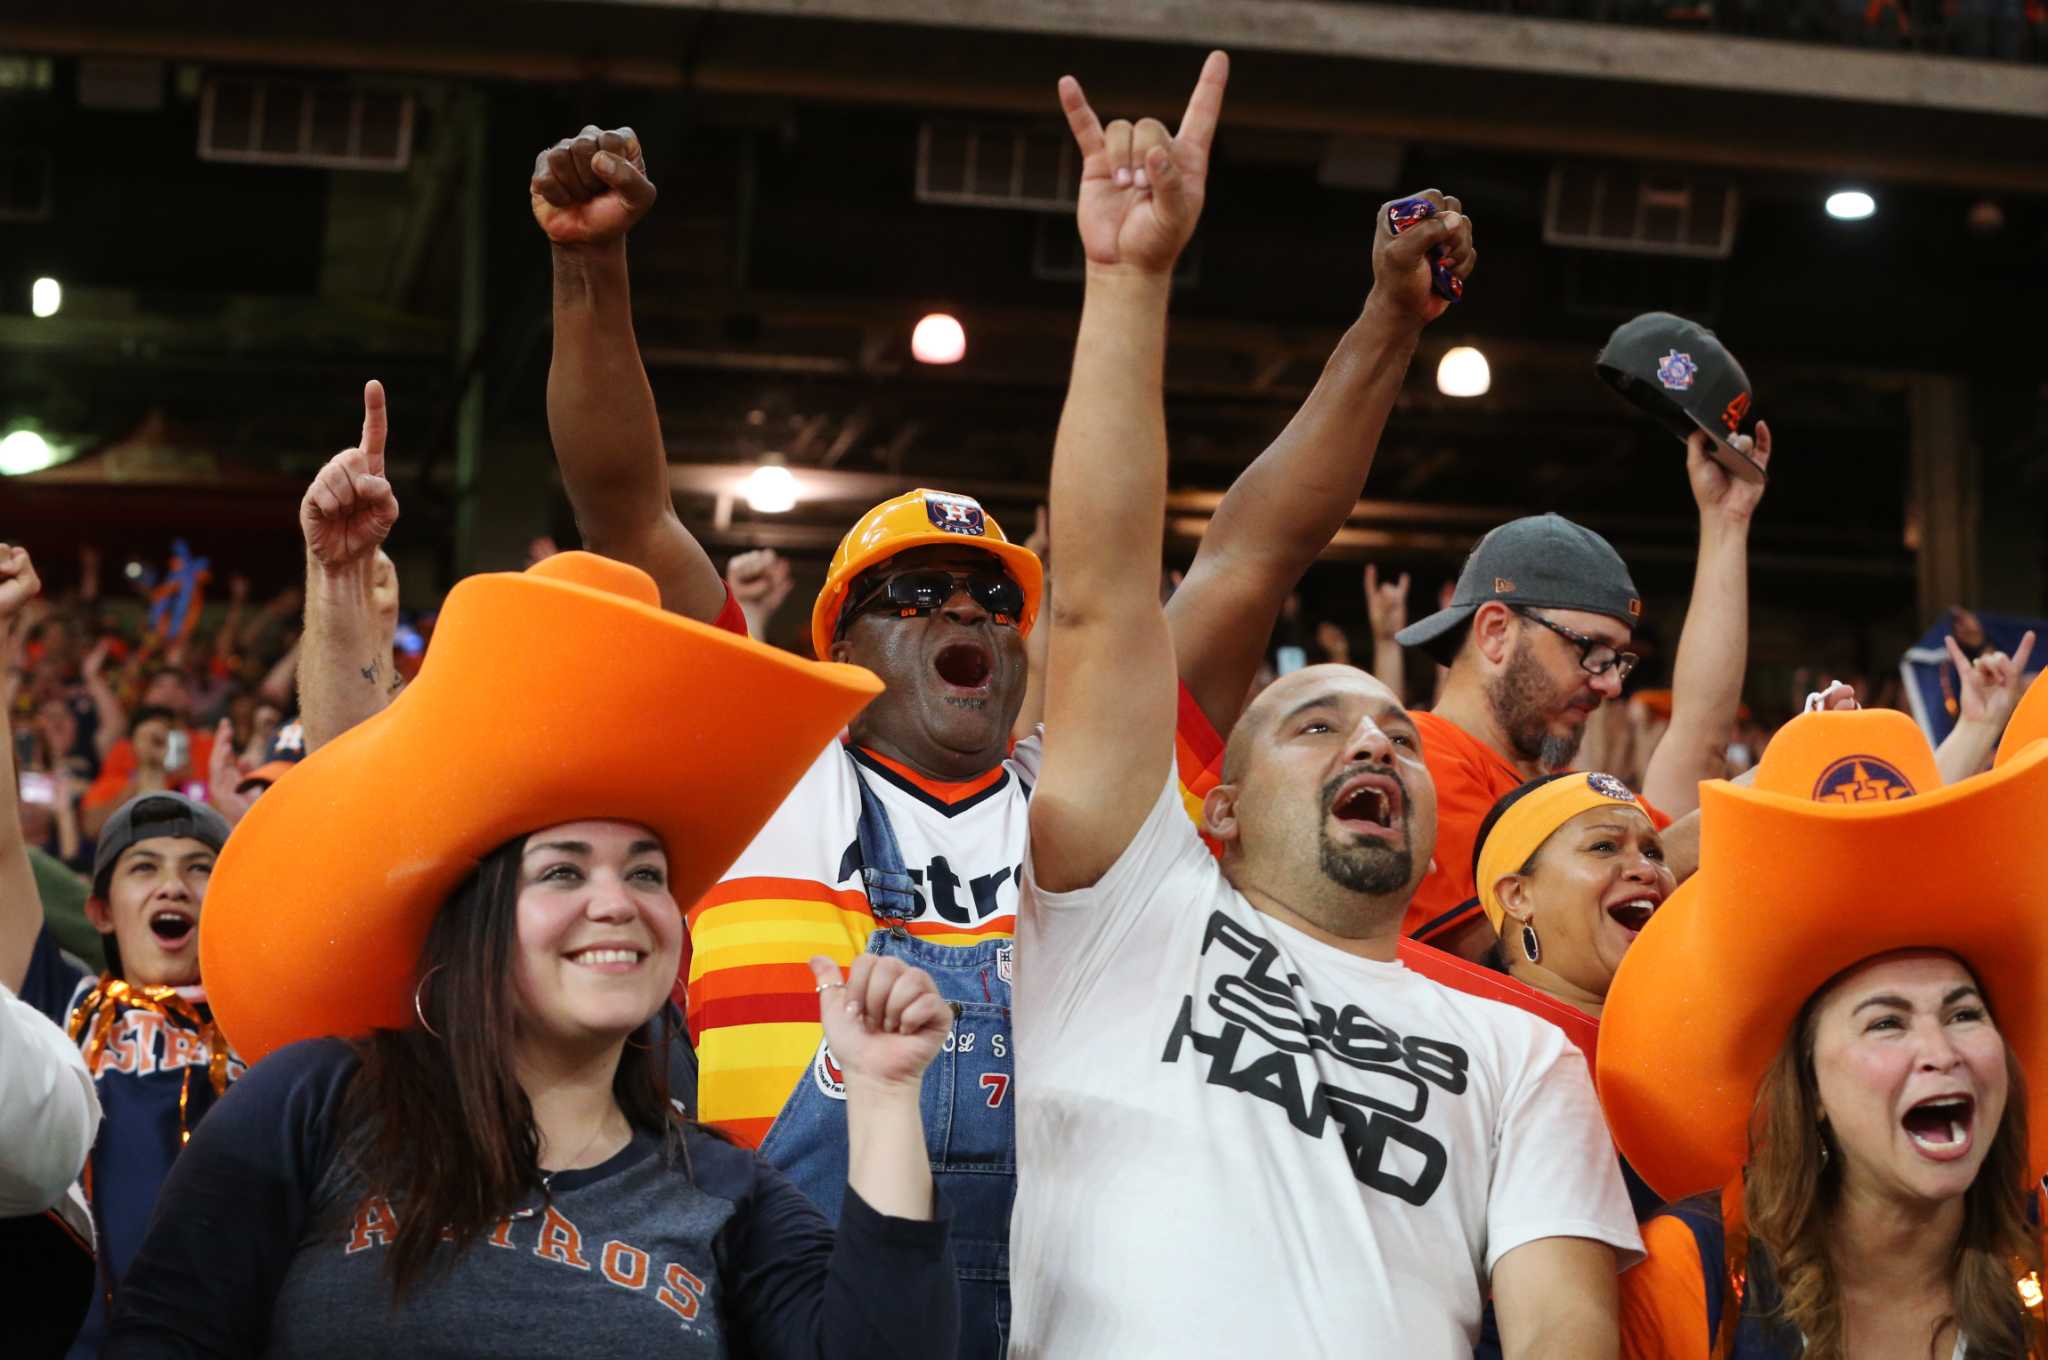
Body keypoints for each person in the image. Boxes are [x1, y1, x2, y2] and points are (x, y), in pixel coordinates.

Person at [1013, 53, 1638, 1357]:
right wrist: (1129, 283)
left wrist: (1395, 322)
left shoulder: (1523, 1059)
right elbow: (1145, 585)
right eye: (1315, 722)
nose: (1373, 737)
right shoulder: (1132, 908)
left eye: (1398, 736)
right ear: (1216, 808)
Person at [107, 549, 959, 1358]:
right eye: (562, 870)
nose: (616, 903)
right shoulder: (315, 1105)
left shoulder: (727, 1194)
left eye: (647, 873)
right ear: (477, 922)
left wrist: (884, 1097)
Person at [1599, 708, 2048, 1359]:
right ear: (1807, 1087)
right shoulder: (1690, 1277)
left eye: (1963, 1014)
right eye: (1887, 1023)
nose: (1940, 1052)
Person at [1397, 420, 1770, 959]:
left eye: (1618, 660)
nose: (1612, 685)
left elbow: (1698, 741)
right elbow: (1494, 952)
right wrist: (1753, 803)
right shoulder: (1417, 758)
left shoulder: (1568, 793)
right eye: (1589, 650)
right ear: (1496, 632)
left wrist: (1727, 522)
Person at [4, 535, 241, 1360]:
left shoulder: (271, 1023)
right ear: (101, 911)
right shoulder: (57, 1008)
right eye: (145, 869)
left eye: (199, 870)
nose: (173, 886)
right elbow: (2, 853)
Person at [81, 669, 215, 837]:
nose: (169, 693)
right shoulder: (120, 765)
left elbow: (218, 819)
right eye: (160, 686)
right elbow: (91, 826)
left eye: (177, 686)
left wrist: (184, 778)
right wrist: (144, 777)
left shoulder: (203, 754)